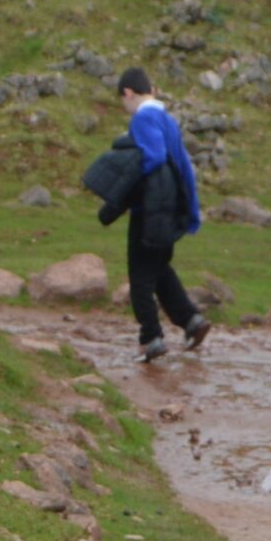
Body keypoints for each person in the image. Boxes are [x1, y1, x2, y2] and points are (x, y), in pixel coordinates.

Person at [99, 68, 210, 363]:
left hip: (151, 211)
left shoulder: (144, 117)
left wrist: (118, 195)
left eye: (123, 101)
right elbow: (183, 164)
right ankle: (191, 321)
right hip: (169, 208)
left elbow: (153, 156)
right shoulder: (167, 119)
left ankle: (150, 338)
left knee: (140, 277)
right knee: (160, 270)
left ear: (128, 93)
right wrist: (190, 209)